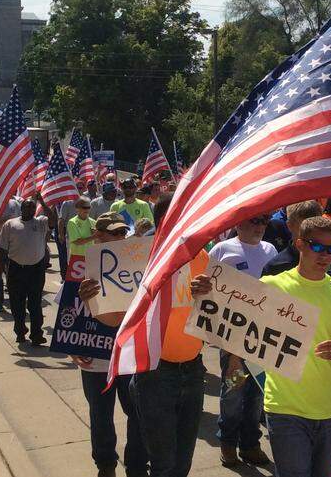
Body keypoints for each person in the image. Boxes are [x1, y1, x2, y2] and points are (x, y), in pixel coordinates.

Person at [199, 215, 331, 477]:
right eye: (318, 247)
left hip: (330, 411)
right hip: (283, 408)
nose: (325, 255)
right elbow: (236, 324)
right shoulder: (271, 285)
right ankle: (230, 442)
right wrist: (204, 292)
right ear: (300, 244)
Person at [129, 194, 208, 477]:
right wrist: (92, 299)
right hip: (155, 373)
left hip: (194, 370)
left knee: (182, 464)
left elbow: (215, 317)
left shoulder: (202, 257)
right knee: (163, 465)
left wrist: (210, 295)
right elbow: (115, 311)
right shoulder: (138, 258)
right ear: (161, 221)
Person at [75, 213, 149, 477]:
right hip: (96, 359)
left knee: (138, 413)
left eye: (122, 233)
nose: (119, 238)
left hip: (130, 356)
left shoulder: (140, 267)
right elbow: (68, 314)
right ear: (98, 236)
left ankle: (137, 465)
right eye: (113, 234)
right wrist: (74, 349)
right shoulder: (82, 269)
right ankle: (106, 464)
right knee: (100, 416)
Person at [207, 214, 278, 466]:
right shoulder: (222, 250)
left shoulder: (270, 250)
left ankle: (250, 444)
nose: (260, 227)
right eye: (254, 221)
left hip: (263, 339)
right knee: (233, 392)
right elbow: (209, 292)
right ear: (238, 223)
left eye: (263, 222)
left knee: (257, 395)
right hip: (232, 339)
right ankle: (227, 443)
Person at [260, 200, 331, 299]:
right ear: (289, 225)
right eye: (304, 227)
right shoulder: (275, 267)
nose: (311, 233)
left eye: (316, 226)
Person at [0, 193, 57, 345]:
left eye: (32, 206)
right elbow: (2, 247)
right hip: (16, 269)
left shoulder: (41, 222)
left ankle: (37, 335)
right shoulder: (10, 224)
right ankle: (20, 331)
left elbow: (53, 220)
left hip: (36, 270)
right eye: (27, 206)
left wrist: (42, 201)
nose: (29, 209)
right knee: (17, 304)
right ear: (21, 208)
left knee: (35, 304)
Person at [66, 197, 96, 261]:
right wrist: (94, 236)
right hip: (77, 258)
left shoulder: (93, 222)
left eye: (89, 207)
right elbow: (77, 242)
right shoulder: (72, 222)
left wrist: (97, 237)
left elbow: (97, 241)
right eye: (84, 207)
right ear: (77, 208)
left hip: (91, 257)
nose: (87, 210)